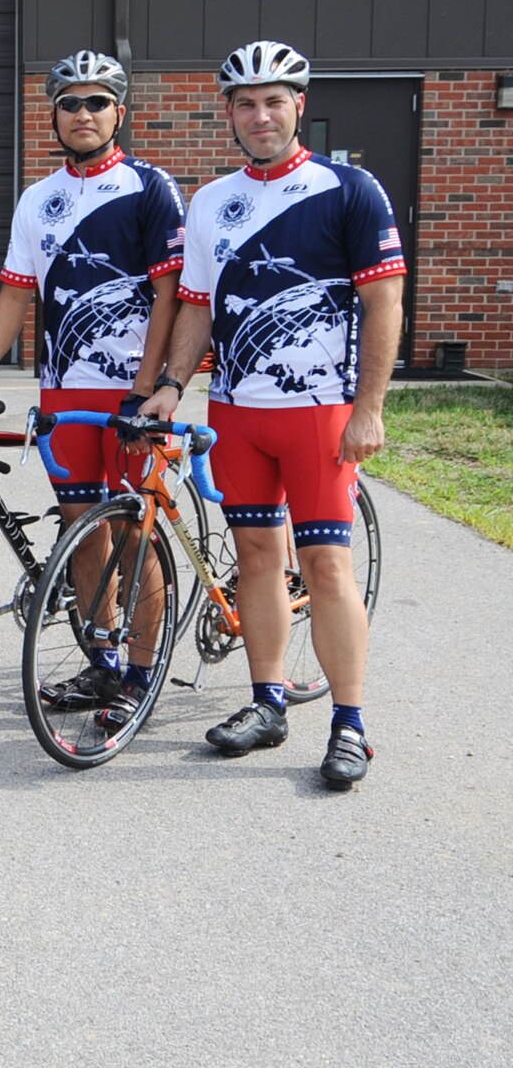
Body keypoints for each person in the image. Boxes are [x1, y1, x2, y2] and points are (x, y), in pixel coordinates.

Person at [139, 39, 406, 790]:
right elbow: (195, 306)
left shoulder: (350, 188)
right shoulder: (212, 201)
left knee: (325, 565)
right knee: (256, 558)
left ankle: (350, 723)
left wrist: (369, 407)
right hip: (238, 414)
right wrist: (171, 385)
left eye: (274, 101)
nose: (261, 115)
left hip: (319, 413)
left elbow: (383, 301)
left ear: (300, 106)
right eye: (246, 103)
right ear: (228, 112)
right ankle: (267, 701)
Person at [0, 49, 186, 732]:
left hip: (133, 395)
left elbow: (170, 295)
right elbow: (15, 293)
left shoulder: (150, 187)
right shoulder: (38, 198)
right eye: (71, 103)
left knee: (137, 534)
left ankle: (141, 673)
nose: (84, 114)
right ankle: (104, 660)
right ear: (53, 114)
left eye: (98, 102)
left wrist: (148, 388)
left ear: (120, 112)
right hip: (64, 391)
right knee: (85, 531)